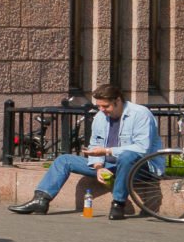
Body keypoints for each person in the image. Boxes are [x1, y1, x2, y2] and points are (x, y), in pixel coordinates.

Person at [9, 83, 165, 221]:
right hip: (111, 167)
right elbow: (95, 144)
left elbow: (142, 148)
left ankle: (118, 203)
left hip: (141, 168)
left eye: (106, 106)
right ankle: (40, 200)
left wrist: (107, 151)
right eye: (99, 106)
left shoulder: (140, 114)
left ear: (118, 101)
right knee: (64, 160)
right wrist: (98, 167)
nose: (102, 110)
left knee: (126, 156)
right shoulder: (100, 116)